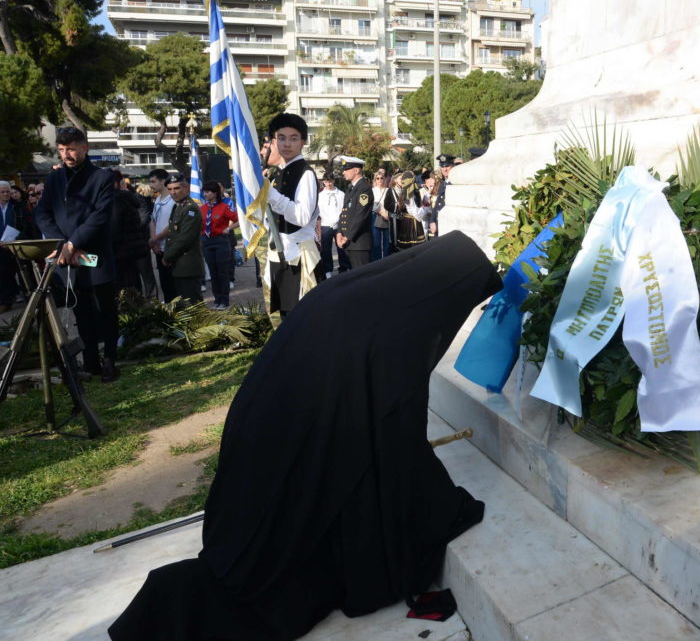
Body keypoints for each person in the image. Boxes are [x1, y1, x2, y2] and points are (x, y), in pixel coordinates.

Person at [109, 232, 502, 641]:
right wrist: (442, 507)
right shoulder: (393, 330)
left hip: (268, 425)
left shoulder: (357, 294)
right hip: (296, 432)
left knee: (273, 529)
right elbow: (395, 437)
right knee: (277, 554)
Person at [33, 127, 120, 382]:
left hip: (95, 255)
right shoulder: (54, 179)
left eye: (70, 149)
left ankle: (109, 360)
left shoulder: (102, 177)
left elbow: (100, 215)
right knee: (82, 312)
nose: (66, 155)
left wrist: (75, 241)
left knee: (106, 311)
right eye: (61, 150)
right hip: (68, 258)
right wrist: (63, 245)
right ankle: (90, 360)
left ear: (84, 147)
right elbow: (42, 213)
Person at [257, 112, 320, 326]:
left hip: (299, 257)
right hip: (280, 253)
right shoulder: (278, 173)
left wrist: (272, 195)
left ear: (303, 141)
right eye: (281, 138)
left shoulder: (305, 173)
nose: (287, 144)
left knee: (302, 319)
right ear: (274, 141)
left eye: (293, 138)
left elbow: (301, 216)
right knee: (285, 317)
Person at [0, 181, 30, 313]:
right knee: (3, 275)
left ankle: (29, 298)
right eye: (3, 192)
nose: (6, 194)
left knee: (23, 273)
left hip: (17, 246)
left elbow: (25, 227)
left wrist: (16, 239)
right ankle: (6, 302)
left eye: (7, 191)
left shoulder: (18, 207)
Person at [162, 175, 204, 306]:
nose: (173, 192)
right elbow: (172, 235)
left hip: (187, 265)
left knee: (192, 306)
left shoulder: (190, 208)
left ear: (186, 188)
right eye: (170, 189)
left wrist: (167, 257)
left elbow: (184, 239)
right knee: (183, 307)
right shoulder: (179, 206)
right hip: (179, 265)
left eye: (176, 188)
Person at [200, 180, 238, 309]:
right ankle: (217, 300)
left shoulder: (224, 207)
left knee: (222, 272)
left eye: (208, 192)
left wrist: (229, 228)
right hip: (207, 242)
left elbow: (238, 219)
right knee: (213, 272)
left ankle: (224, 301)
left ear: (215, 193)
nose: (205, 194)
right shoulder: (202, 208)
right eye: (204, 191)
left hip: (220, 242)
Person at [111, 171, 149, 296]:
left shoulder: (117, 201)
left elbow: (115, 229)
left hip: (121, 254)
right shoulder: (125, 199)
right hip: (130, 253)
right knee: (133, 286)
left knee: (127, 293)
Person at [335, 155, 372, 268]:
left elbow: (360, 216)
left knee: (362, 279)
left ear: (356, 170)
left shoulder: (364, 189)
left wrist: (347, 237)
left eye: (346, 169)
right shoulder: (350, 189)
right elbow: (344, 213)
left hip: (359, 243)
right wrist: (339, 232)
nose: (343, 173)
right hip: (349, 243)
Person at [147, 169, 176, 302]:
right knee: (164, 281)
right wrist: (155, 241)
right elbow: (153, 221)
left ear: (163, 181)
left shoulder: (173, 200)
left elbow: (173, 225)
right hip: (159, 247)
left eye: (153, 181)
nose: (151, 185)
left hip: (170, 248)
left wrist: (155, 239)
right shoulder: (158, 199)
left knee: (173, 283)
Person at [317, 171, 349, 278]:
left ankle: (343, 268)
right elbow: (319, 210)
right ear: (323, 182)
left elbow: (343, 209)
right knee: (326, 249)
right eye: (326, 182)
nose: (328, 184)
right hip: (326, 224)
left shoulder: (341, 194)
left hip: (339, 224)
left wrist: (338, 221)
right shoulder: (320, 196)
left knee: (341, 247)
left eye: (330, 181)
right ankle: (327, 270)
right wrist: (327, 220)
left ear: (334, 181)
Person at [390, 171, 427, 252]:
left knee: (406, 249)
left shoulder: (404, 192)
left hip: (405, 222)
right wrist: (424, 209)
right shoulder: (409, 195)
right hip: (412, 224)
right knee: (413, 249)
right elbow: (415, 213)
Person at [370, 168, 392, 261]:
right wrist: (380, 212)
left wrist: (387, 214)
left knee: (387, 242)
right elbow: (370, 204)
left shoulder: (388, 190)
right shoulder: (372, 190)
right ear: (374, 180)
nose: (379, 180)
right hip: (376, 217)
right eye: (377, 178)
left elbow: (391, 203)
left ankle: (386, 261)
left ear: (385, 179)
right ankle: (377, 262)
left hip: (387, 217)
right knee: (376, 243)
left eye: (381, 178)